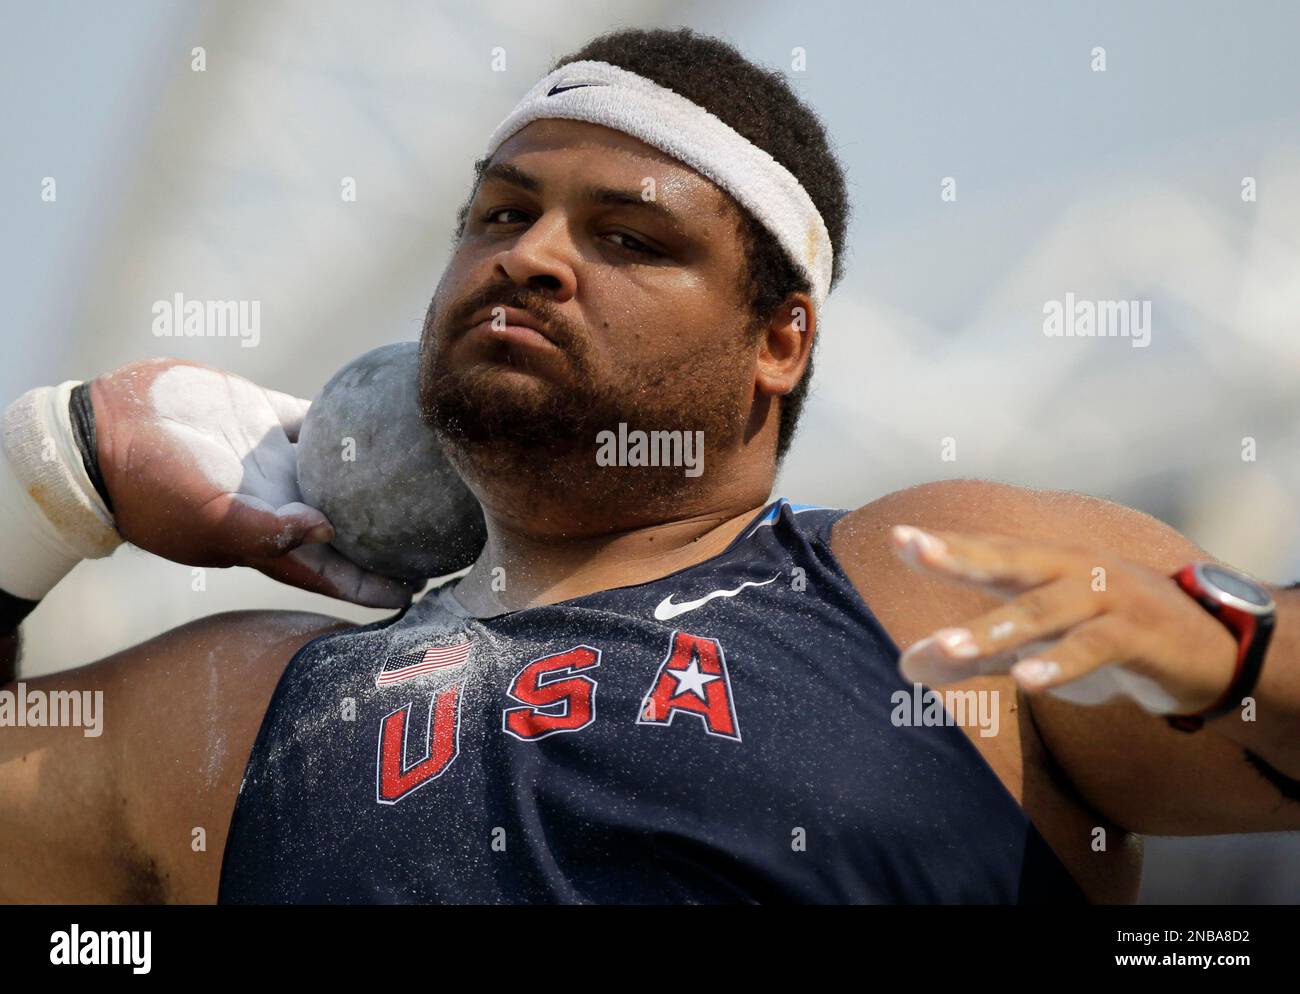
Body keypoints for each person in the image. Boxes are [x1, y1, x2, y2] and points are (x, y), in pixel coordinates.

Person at [2, 27, 1297, 905]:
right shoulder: (237, 709)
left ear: (780, 338)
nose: (531, 254)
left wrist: (1246, 655)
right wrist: (47, 481)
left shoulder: (930, 584)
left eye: (628, 235)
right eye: (501, 214)